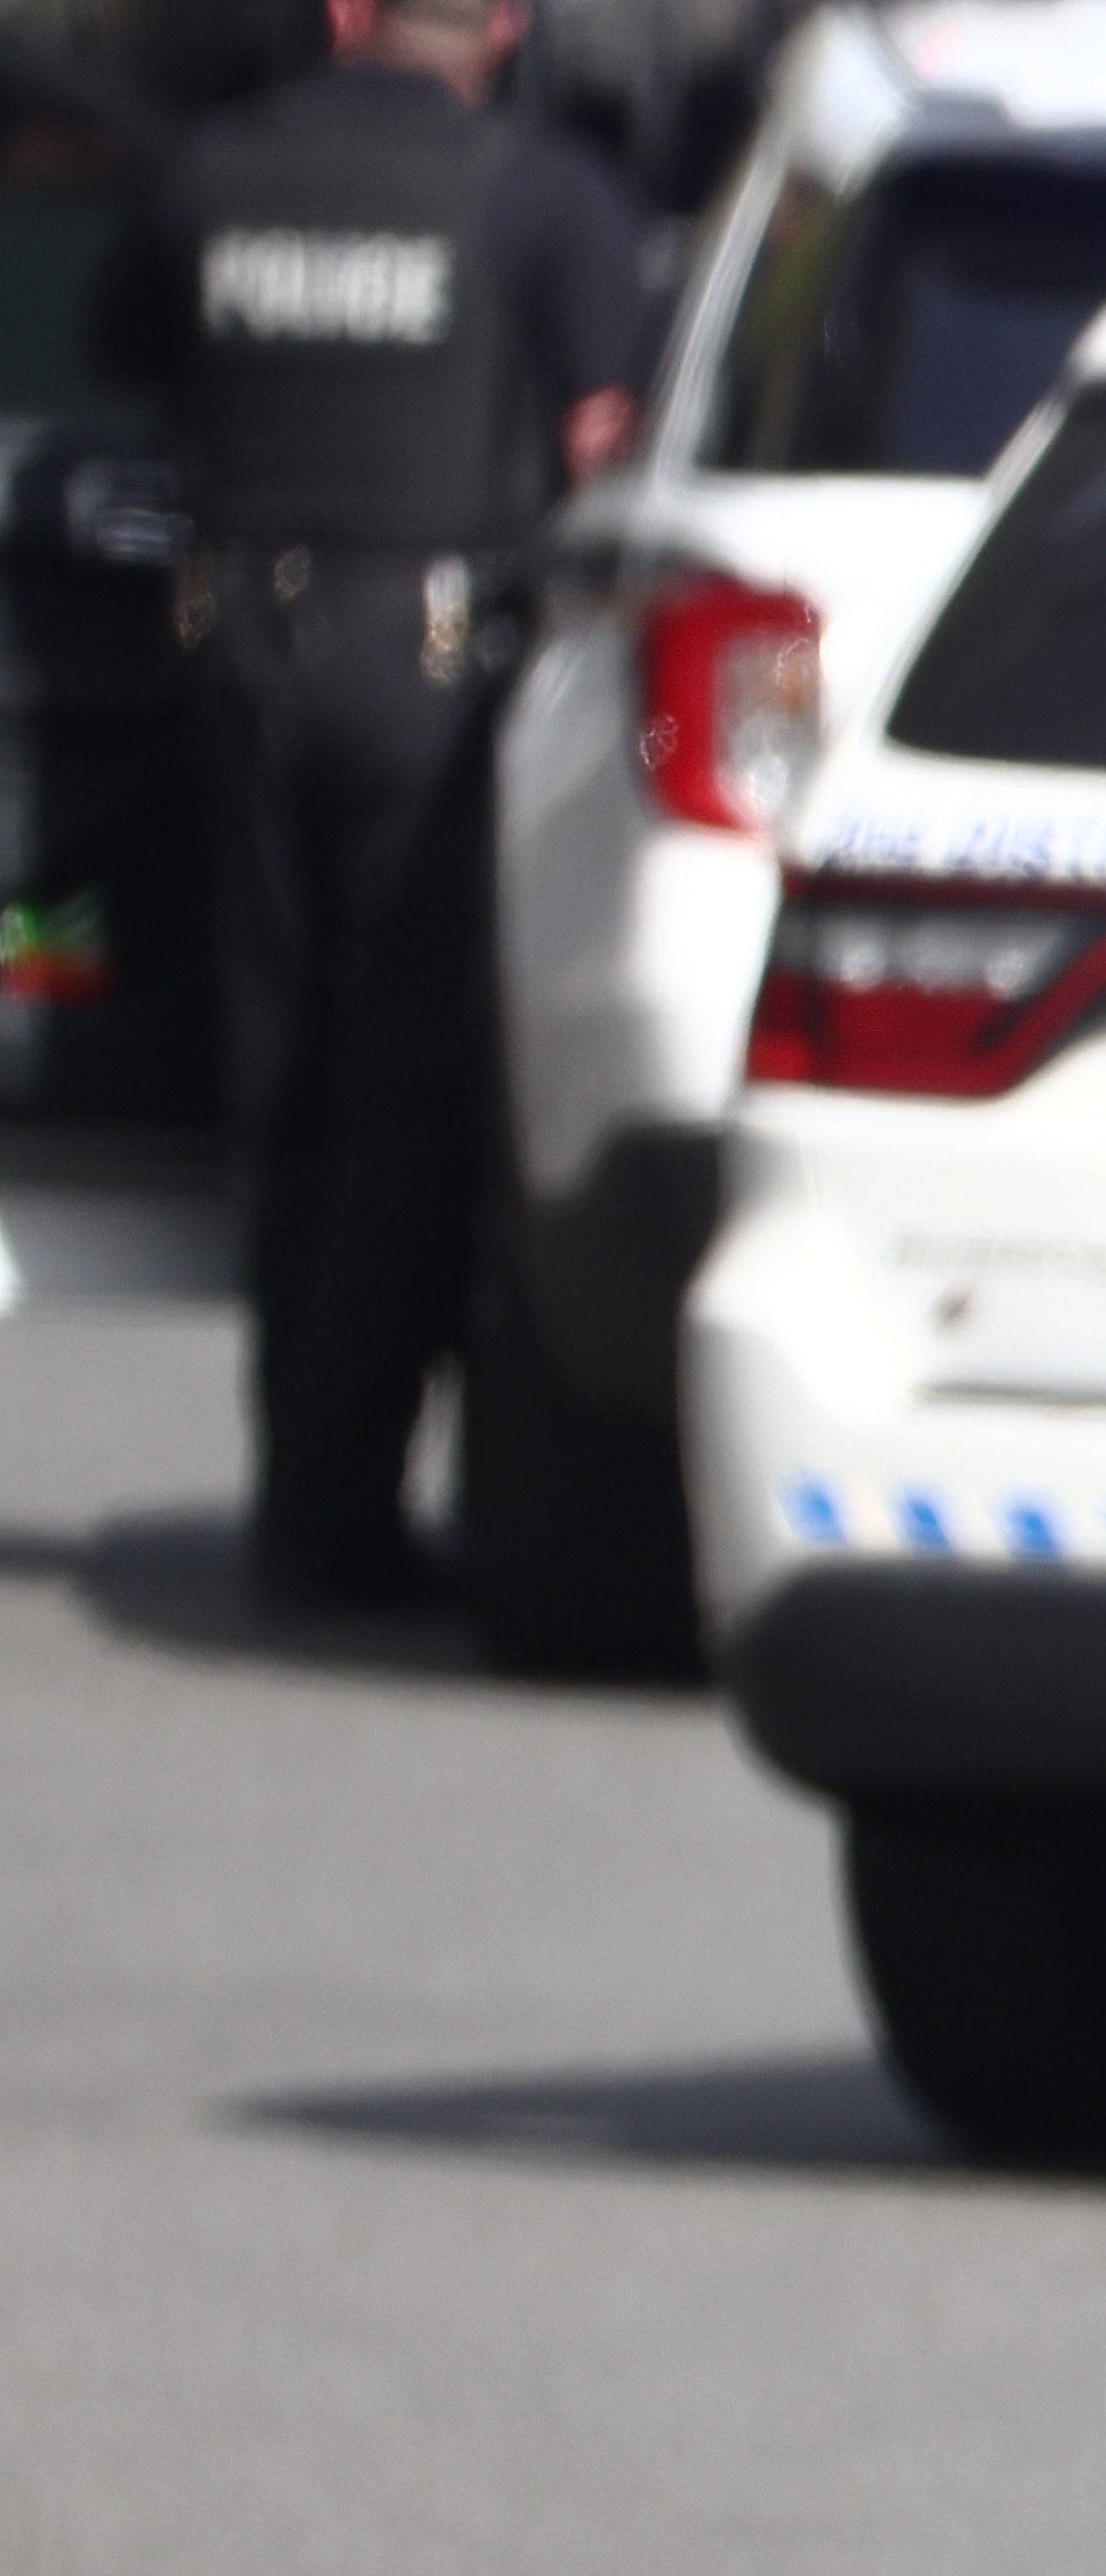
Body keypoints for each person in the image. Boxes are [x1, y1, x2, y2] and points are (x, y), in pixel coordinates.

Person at [97, 0, 643, 1615]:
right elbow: (601, 440)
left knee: (283, 1080)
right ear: (506, 26)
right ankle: (345, 1512)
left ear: (343, 13)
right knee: (405, 1091)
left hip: (235, 658)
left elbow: (123, 357)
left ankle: (300, 1493)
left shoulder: (210, 176)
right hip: (430, 675)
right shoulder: (541, 195)